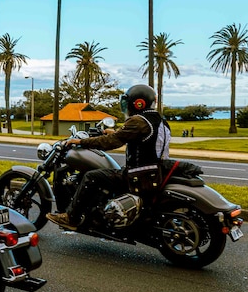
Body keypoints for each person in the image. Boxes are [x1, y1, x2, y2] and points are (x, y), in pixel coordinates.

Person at [46, 84, 171, 231]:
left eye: (127, 103)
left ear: (138, 104)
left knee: (91, 176)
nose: (126, 106)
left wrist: (80, 141)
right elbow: (135, 137)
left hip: (137, 174)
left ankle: (71, 217)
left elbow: (110, 143)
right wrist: (114, 132)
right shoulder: (160, 121)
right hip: (153, 172)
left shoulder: (138, 121)